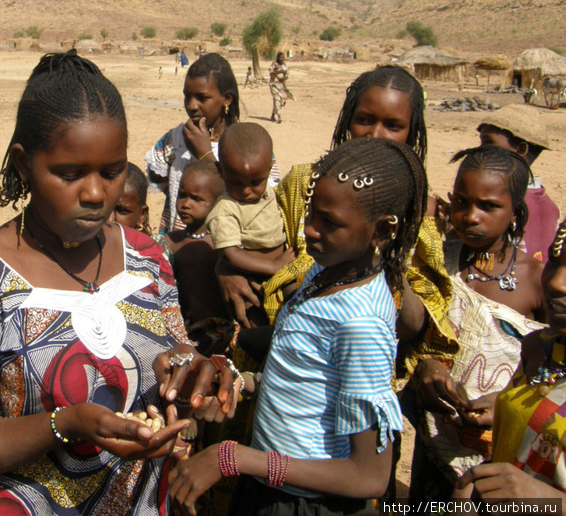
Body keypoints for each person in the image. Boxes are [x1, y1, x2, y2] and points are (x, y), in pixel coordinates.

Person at [0, 50, 235, 515]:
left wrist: (193, 372)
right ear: (24, 165)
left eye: (111, 173)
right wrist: (67, 424)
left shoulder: (147, 258)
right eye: (69, 174)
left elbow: (177, 350)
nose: (95, 193)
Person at [169, 138, 426, 514]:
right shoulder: (325, 273)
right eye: (311, 215)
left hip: (307, 503)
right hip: (270, 488)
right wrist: (241, 382)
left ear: (383, 231)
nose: (309, 231)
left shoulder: (363, 324)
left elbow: (368, 476)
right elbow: (305, 368)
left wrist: (235, 458)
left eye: (330, 223)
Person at [230, 66, 456, 376]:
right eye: (364, 119)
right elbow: (253, 234)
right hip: (273, 356)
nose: (375, 135)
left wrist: (386, 266)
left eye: (393, 125)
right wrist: (225, 267)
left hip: (354, 372)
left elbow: (420, 326)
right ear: (348, 120)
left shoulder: (417, 213)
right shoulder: (304, 183)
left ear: (411, 132)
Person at [411, 145, 546, 498]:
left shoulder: (537, 282)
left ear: (515, 213)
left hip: (499, 453)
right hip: (433, 439)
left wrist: (504, 399)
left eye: (488, 206)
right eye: (462, 202)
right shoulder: (436, 262)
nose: (471, 216)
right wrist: (424, 365)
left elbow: (553, 368)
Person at [456, 219, 566, 499]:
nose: (556, 283)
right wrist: (506, 404)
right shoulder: (538, 348)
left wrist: (549, 501)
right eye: (555, 261)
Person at [146, 54, 241, 235]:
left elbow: (250, 198)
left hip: (223, 247)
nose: (191, 106)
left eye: (201, 98)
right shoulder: (176, 139)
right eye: (187, 96)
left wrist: (205, 154)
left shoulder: (244, 143)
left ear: (226, 98)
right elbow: (156, 181)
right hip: (178, 244)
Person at [206, 123, 289, 328]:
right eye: (236, 183)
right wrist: (272, 266)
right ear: (220, 171)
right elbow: (230, 254)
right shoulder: (225, 209)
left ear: (270, 169)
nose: (246, 191)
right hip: (250, 280)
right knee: (253, 324)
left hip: (282, 272)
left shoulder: (271, 193)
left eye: (255, 182)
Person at [163, 161, 233, 356]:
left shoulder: (221, 245)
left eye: (196, 199)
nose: (186, 204)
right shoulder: (169, 242)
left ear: (217, 203)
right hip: (181, 335)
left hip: (220, 335)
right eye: (182, 195)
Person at [477, 104, 560, 262]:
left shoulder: (503, 203)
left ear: (520, 149)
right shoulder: (550, 206)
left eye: (487, 143)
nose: (479, 150)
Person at [109, 162, 152, 236]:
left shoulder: (154, 247)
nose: (109, 220)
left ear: (142, 215)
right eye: (100, 207)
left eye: (122, 210)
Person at [268, 53, 293, 124]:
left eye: (283, 57)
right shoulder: (274, 64)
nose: (282, 59)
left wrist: (284, 78)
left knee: (281, 100)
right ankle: (279, 117)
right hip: (273, 85)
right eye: (281, 57)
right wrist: (280, 71)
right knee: (277, 99)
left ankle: (273, 114)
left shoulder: (285, 66)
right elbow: (271, 73)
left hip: (281, 85)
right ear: (278, 58)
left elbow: (287, 74)